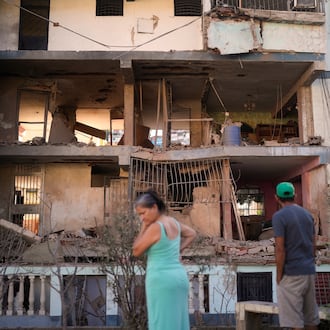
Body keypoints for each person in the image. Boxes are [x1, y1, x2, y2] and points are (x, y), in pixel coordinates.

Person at [132, 190, 196, 330]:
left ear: (154, 207)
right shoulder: (173, 222)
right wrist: (178, 249)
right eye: (139, 215)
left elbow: (136, 250)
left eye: (143, 213)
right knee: (177, 323)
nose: (142, 218)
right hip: (179, 278)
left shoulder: (155, 227)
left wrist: (143, 228)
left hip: (161, 280)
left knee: (162, 323)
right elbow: (192, 233)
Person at [272, 182, 319, 330]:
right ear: (295, 196)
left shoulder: (279, 216)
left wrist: (279, 275)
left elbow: (280, 249)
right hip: (309, 271)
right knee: (310, 318)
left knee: (294, 322)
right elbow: (313, 245)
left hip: (291, 274)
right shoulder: (307, 215)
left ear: (276, 198)